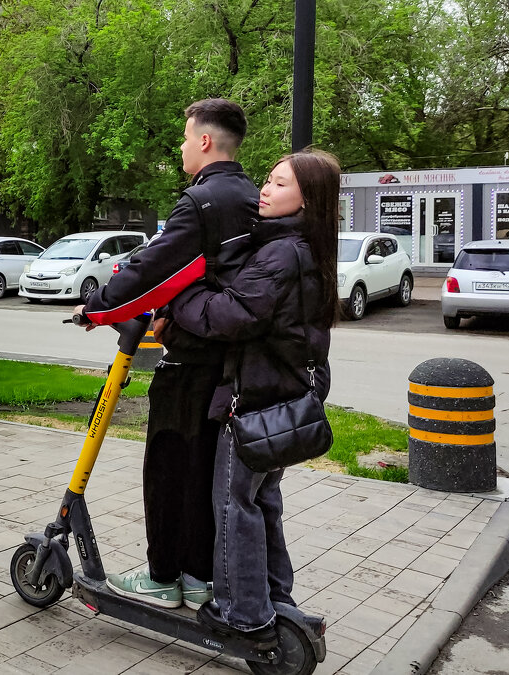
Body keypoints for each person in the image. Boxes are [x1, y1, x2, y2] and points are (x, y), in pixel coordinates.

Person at [74, 98, 260, 610]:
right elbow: (200, 271)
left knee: (168, 467)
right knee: (199, 471)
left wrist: (97, 309)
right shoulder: (248, 194)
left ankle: (161, 576)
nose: (181, 146)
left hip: (192, 358)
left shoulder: (203, 201)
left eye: (184, 137)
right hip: (224, 358)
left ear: (204, 140)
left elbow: (155, 266)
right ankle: (197, 575)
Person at [167, 149, 340, 643]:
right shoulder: (307, 246)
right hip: (286, 400)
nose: (265, 189)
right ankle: (274, 597)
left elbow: (232, 315)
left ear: (308, 198)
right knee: (263, 501)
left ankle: (242, 613)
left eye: (279, 184)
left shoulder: (280, 252)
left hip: (257, 401)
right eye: (267, 180)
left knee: (233, 503)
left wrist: (179, 300)